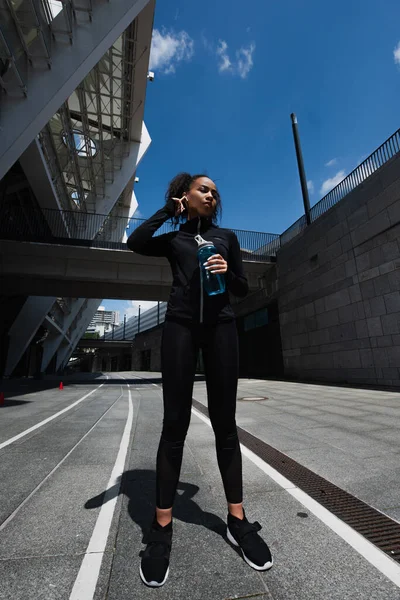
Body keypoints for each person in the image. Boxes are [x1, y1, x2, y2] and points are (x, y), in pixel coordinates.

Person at [127, 173, 273, 588]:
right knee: (174, 426)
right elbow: (134, 242)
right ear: (185, 196)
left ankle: (237, 520)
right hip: (180, 327)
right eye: (203, 189)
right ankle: (161, 528)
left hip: (222, 328)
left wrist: (228, 271)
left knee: (226, 427)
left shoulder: (226, 236)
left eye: (215, 192)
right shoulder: (173, 240)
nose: (211, 195)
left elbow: (242, 288)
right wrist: (166, 212)